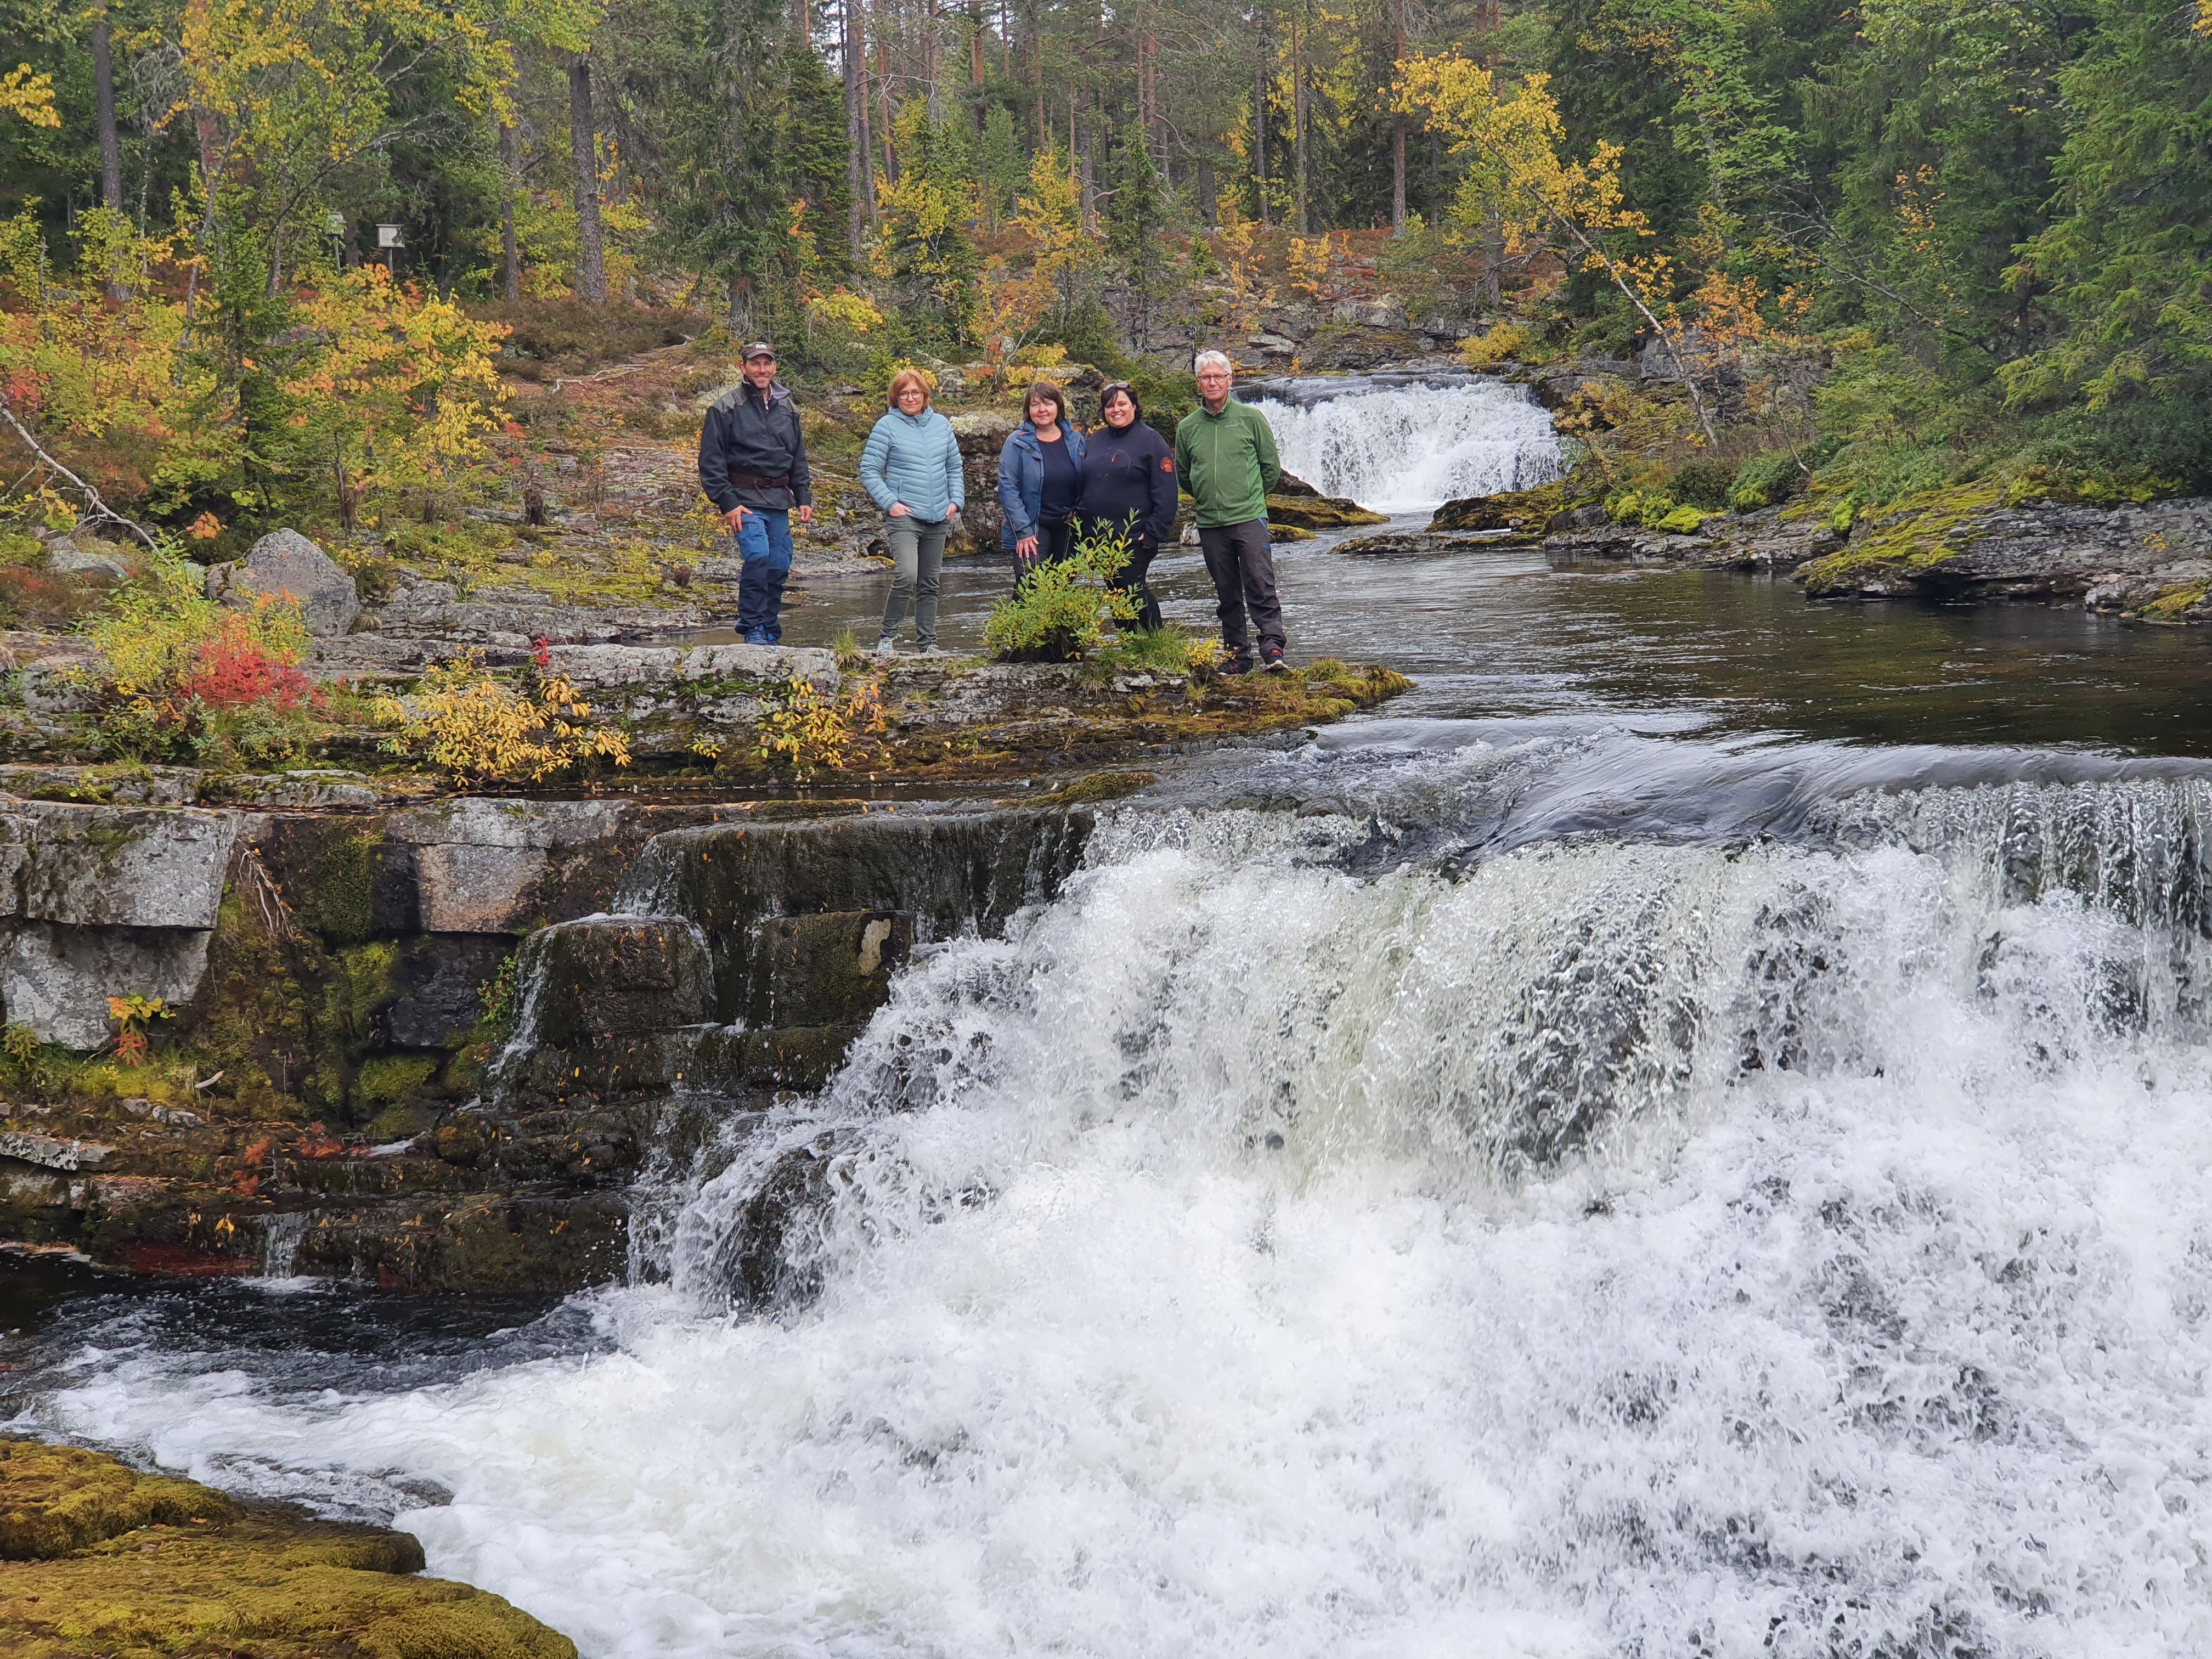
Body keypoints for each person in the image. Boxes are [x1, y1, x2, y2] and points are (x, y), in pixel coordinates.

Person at [1173, 349, 1286, 673]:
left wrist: (1249, 498)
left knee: (1260, 584)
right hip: (1210, 523)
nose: (1212, 382)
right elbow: (1185, 475)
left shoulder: (1251, 418)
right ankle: (1237, 657)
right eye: (1206, 377)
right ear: (1198, 383)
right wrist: (1210, 498)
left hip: (1249, 518)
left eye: (1218, 377)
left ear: (1229, 380)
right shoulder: (1187, 427)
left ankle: (1273, 649)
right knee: (1227, 593)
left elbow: (1270, 468)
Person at [697, 342, 814, 645]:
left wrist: (803, 497)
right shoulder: (725, 408)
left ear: (775, 367)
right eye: (755, 364)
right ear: (743, 368)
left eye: (767, 364)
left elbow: (798, 457)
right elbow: (711, 462)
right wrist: (728, 503)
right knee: (758, 558)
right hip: (743, 499)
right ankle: (752, 629)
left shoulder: (788, 407)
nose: (762, 370)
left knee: (779, 565)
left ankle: (770, 629)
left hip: (778, 500)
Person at [860, 369, 964, 655]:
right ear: (895, 397)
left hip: (939, 516)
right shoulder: (886, 426)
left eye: (915, 392)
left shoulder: (941, 425)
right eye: (904, 393)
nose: (910, 398)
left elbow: (954, 467)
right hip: (904, 517)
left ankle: (928, 645)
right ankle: (887, 639)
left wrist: (955, 501)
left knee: (930, 583)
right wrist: (890, 503)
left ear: (925, 395)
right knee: (907, 575)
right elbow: (869, 471)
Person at [1076, 381, 1178, 631]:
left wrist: (1154, 532)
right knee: (1115, 592)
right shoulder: (1096, 439)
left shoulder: (1151, 441)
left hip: (1135, 536)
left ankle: (1156, 642)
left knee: (1133, 588)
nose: (1116, 410)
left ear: (1134, 406)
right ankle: (1129, 646)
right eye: (1110, 406)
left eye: (1122, 404)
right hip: (1099, 538)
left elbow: (1167, 493)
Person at [996, 381, 1087, 580]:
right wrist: (1023, 532)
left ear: (1058, 407)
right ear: (1028, 410)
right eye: (1035, 404)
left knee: (1062, 589)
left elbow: (1089, 483)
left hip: (1069, 527)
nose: (1042, 410)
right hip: (1032, 527)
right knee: (1029, 586)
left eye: (1048, 403)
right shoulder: (1016, 442)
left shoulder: (1076, 440)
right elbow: (1007, 489)